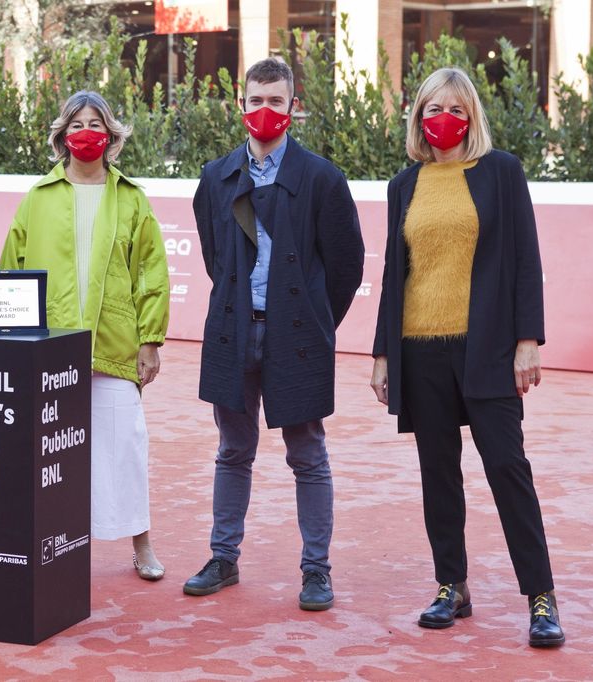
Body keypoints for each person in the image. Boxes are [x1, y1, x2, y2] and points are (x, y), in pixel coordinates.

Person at [370, 67, 564, 648]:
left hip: (488, 350)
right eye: (431, 109)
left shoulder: (502, 172)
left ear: (472, 115)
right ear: (417, 117)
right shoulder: (404, 184)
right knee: (438, 473)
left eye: (453, 108)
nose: (441, 119)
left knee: (508, 468)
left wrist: (528, 340)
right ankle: (451, 586)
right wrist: (382, 353)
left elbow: (526, 258)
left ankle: (541, 597)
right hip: (419, 351)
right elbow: (393, 275)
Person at [183, 58, 364, 610]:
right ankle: (224, 557)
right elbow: (218, 259)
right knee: (232, 449)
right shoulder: (216, 177)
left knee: (307, 453)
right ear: (242, 105)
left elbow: (346, 265)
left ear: (293, 107)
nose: (266, 111)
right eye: (256, 100)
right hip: (234, 332)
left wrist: (311, 318)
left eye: (276, 102)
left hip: (297, 336)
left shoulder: (322, 178)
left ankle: (316, 571)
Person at [0, 91, 170, 580]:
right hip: (50, 347)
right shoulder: (39, 197)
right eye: (77, 123)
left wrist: (150, 340)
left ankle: (142, 544)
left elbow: (151, 273)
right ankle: (51, 544)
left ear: (111, 135)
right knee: (49, 452)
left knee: (126, 447)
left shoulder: (132, 198)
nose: (86, 132)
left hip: (114, 345)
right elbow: (12, 268)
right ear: (62, 135)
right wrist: (10, 337)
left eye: (96, 123)